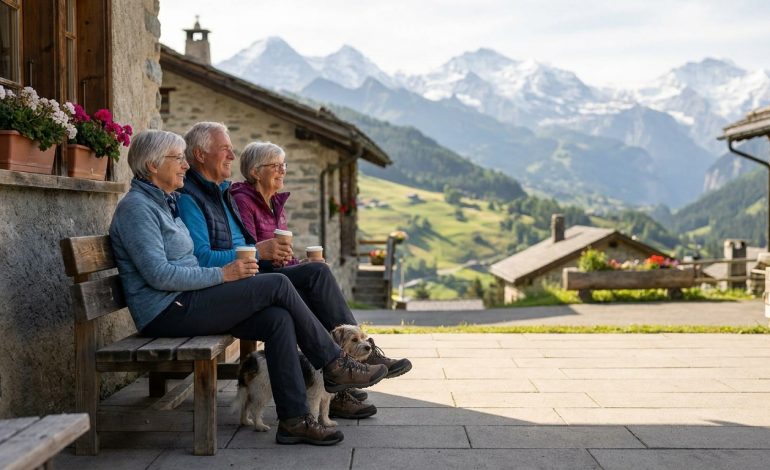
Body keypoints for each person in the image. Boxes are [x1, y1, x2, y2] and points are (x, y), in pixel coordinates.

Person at [109, 129, 388, 446]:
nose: (185, 164)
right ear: (152, 165)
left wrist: (224, 275)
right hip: (167, 310)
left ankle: (295, 419)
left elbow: (184, 264)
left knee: (277, 320)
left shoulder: (162, 204)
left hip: (186, 300)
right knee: (278, 285)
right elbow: (159, 275)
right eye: (177, 158)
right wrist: (223, 275)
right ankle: (336, 364)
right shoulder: (137, 209)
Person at [177, 123, 412, 420]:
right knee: (309, 280)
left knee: (315, 274)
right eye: (226, 150)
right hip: (230, 286)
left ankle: (335, 381)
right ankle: (339, 370)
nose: (232, 156)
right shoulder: (203, 198)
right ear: (200, 154)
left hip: (245, 279)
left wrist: (276, 257)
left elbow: (246, 247)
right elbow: (207, 256)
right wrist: (263, 254)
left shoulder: (222, 193)